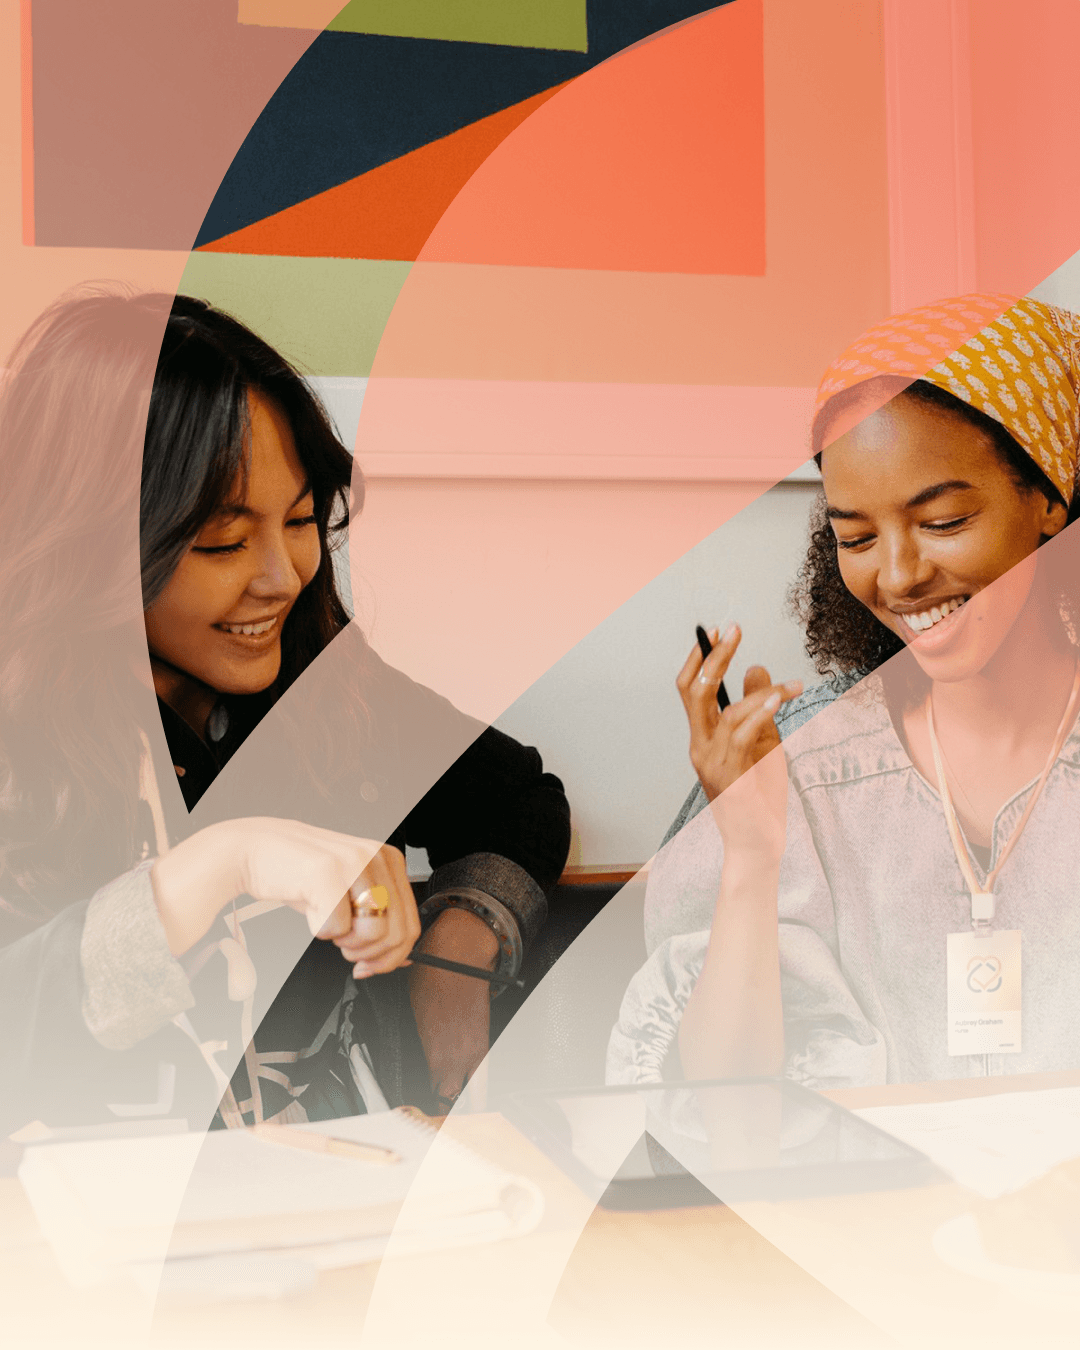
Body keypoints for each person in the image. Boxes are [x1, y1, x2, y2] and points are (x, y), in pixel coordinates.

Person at [0, 287, 571, 1133]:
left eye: (301, 520)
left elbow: (519, 799)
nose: (281, 577)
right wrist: (225, 861)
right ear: (90, 539)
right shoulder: (24, 734)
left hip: (333, 1187)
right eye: (223, 542)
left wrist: (462, 950)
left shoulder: (317, 677)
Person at [609, 292, 1080, 1090]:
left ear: (1047, 501)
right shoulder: (803, 762)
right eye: (855, 537)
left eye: (943, 522)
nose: (895, 576)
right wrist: (753, 857)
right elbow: (723, 1111)